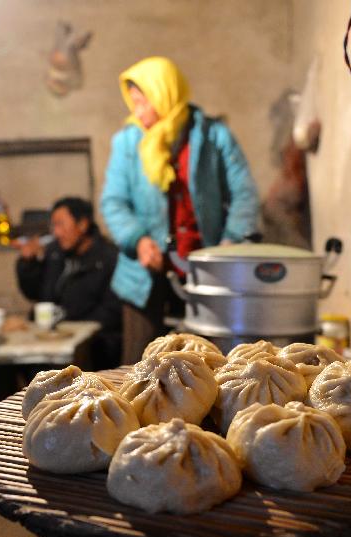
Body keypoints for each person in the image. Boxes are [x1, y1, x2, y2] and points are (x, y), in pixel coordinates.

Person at [100, 56, 260, 364]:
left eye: (143, 103)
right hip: (145, 272)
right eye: (133, 103)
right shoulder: (127, 142)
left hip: (206, 268)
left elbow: (244, 193)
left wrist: (230, 243)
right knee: (140, 364)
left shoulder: (214, 136)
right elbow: (113, 201)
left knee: (208, 364)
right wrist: (139, 239)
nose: (138, 112)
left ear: (165, 95)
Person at [14, 196, 122, 368]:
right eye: (53, 226)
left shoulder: (108, 258)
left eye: (61, 224)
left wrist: (68, 326)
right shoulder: (54, 253)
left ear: (82, 224)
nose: (56, 233)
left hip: (92, 349)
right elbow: (34, 292)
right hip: (50, 342)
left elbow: (111, 312)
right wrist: (28, 263)